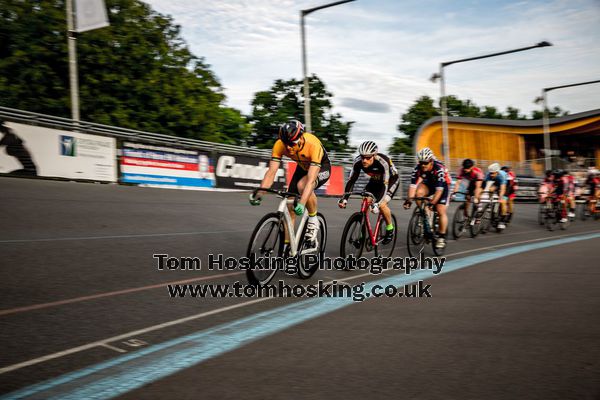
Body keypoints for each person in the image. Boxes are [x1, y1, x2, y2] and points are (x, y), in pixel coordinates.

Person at [250, 120, 330, 250]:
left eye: (292, 143)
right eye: (286, 144)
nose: (288, 148)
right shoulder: (279, 145)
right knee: (289, 206)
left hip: (321, 167)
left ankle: (313, 220)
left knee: (302, 186)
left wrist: (303, 203)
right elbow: (271, 173)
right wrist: (259, 193)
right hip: (302, 167)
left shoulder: (312, 144)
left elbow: (310, 181)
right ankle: (288, 246)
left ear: (301, 138)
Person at [338, 141, 399, 244]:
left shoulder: (382, 162)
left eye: (368, 157)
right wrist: (345, 198)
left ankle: (390, 229)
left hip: (391, 181)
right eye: (362, 157)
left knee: (382, 205)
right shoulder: (358, 162)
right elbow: (352, 180)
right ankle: (362, 233)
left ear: (374, 155)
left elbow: (385, 185)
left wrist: (377, 203)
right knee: (365, 201)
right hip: (375, 180)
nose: (364, 160)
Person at [403, 147, 451, 249]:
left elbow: (439, 190)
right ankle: (425, 214)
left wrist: (432, 203)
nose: (423, 165)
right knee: (419, 194)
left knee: (440, 209)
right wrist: (409, 200)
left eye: (425, 163)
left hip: (442, 186)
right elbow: (413, 186)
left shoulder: (439, 169)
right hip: (429, 184)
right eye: (421, 163)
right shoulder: (417, 168)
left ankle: (441, 236)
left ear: (431, 161)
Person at [484, 163, 508, 230]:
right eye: (490, 173)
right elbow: (485, 186)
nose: (491, 175)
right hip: (496, 182)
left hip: (506, 184)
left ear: (497, 172)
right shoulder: (488, 175)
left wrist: (500, 198)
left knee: (503, 202)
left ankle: (502, 221)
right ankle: (491, 204)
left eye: (493, 173)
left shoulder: (501, 176)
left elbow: (503, 189)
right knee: (490, 189)